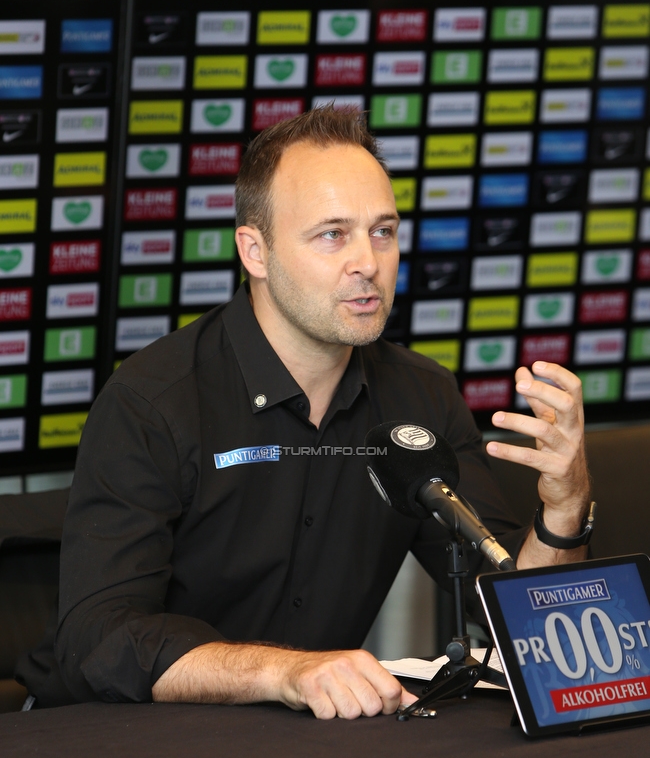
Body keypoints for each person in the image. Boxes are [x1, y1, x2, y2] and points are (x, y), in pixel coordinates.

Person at [19, 107, 591, 719]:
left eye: (383, 231)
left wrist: (564, 507)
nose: (367, 263)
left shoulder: (420, 396)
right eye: (332, 234)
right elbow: (98, 641)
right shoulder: (152, 401)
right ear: (255, 251)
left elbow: (520, 620)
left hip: (300, 747)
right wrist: (288, 670)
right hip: (108, 740)